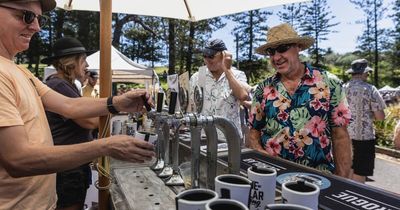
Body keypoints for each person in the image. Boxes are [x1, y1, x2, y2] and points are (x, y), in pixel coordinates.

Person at [0, 1, 155, 209]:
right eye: (27, 16)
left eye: (39, 18)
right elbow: (18, 159)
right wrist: (106, 146)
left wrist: (117, 103)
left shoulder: (19, 71)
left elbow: (69, 106)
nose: (37, 27)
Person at [247, 23, 352, 178]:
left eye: (282, 48)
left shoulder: (329, 83)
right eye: (271, 52)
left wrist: (341, 180)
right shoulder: (263, 89)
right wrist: (262, 156)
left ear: (299, 47)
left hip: (318, 178)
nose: (276, 57)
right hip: (272, 176)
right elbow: (253, 132)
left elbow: (340, 135)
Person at [41, 37, 100, 210]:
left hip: (71, 165)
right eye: (84, 60)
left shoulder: (65, 84)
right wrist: (112, 108)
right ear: (71, 63)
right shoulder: (58, 84)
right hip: (68, 168)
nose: (87, 65)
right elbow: (89, 121)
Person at [188, 39, 249, 139]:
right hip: (204, 137)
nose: (207, 60)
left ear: (224, 55)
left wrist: (227, 71)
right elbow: (190, 106)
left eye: (211, 56)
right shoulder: (197, 77)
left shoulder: (237, 75)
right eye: (205, 56)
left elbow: (243, 96)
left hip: (230, 138)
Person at [343, 59, 386, 183]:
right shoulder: (370, 89)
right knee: (360, 172)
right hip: (364, 138)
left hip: (344, 137)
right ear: (364, 73)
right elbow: (380, 117)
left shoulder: (342, 89)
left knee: (346, 170)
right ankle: (355, 198)